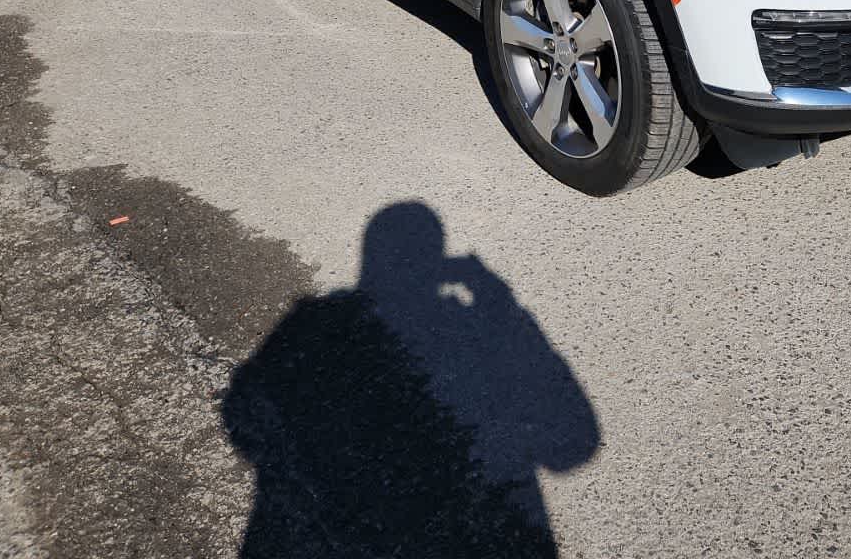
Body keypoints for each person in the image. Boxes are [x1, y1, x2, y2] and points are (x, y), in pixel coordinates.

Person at [224, 202, 599, 558]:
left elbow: (243, 406)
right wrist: (497, 299)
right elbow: (574, 445)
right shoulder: (450, 324)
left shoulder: (320, 320)